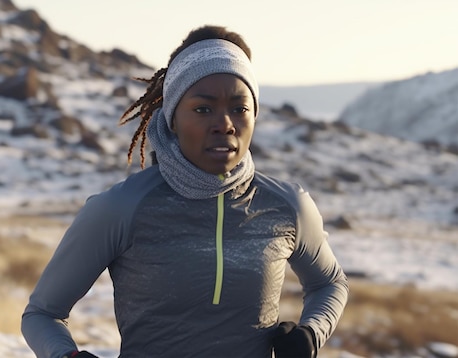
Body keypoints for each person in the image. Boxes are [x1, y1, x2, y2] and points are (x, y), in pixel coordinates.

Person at [21, 25, 349, 358]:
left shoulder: (286, 206)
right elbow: (42, 314)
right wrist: (67, 356)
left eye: (239, 108)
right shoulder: (122, 208)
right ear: (173, 118)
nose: (225, 123)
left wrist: (310, 333)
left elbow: (330, 284)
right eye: (203, 109)